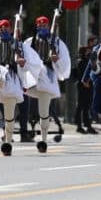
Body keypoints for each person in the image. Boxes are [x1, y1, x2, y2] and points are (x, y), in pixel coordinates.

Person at [0, 18, 41, 156]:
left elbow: (26, 59)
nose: (3, 31)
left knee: (16, 111)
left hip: (14, 81)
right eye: (1, 29)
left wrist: (22, 62)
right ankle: (7, 134)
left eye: (6, 28)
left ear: (11, 29)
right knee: (5, 112)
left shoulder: (17, 44)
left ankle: (15, 137)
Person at [25, 15, 71, 152]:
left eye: (44, 26)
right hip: (31, 81)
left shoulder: (57, 42)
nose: (41, 28)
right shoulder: (29, 42)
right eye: (39, 26)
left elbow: (65, 62)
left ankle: (43, 139)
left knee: (44, 111)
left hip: (47, 80)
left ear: (48, 26)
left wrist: (56, 60)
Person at [74, 46, 96, 134]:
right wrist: (84, 82)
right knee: (80, 106)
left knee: (87, 107)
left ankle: (88, 125)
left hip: (89, 86)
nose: (88, 52)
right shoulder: (80, 62)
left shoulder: (88, 61)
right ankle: (79, 126)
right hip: (82, 86)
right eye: (87, 51)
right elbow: (80, 74)